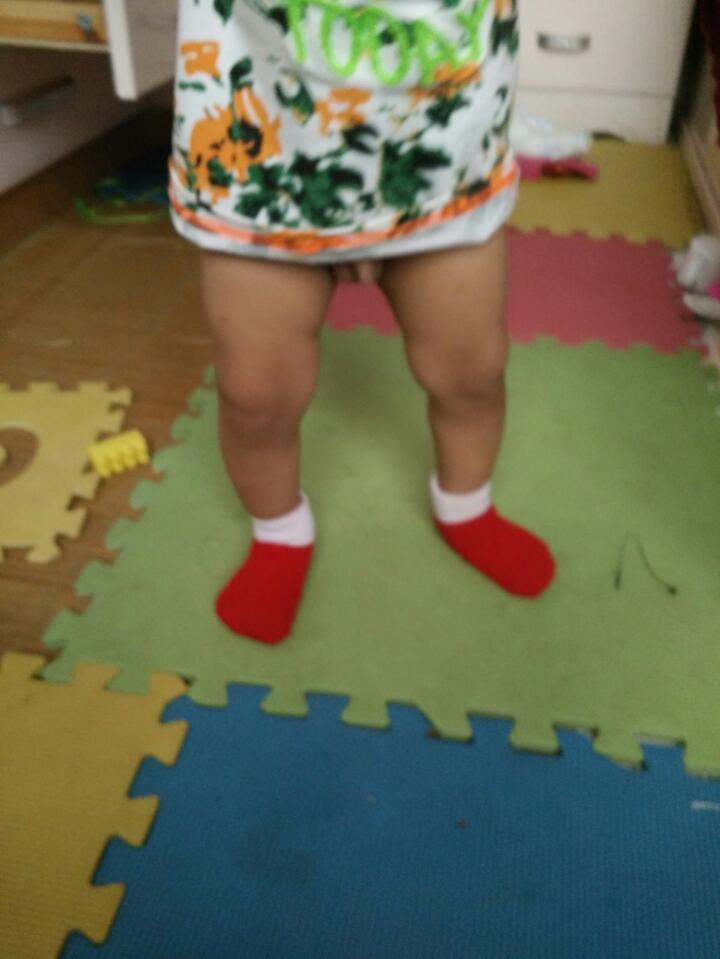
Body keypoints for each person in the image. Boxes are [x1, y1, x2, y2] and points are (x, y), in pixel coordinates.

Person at [169, 0, 555, 644]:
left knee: (471, 371)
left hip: (440, 155)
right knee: (256, 396)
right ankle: (279, 530)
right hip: (260, 154)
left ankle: (466, 504)